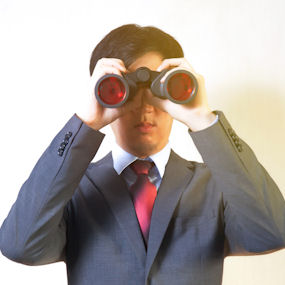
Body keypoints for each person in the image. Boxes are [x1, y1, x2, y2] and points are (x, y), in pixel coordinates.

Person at [0, 24, 284, 285]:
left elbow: (273, 231)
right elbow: (20, 245)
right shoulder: (74, 189)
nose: (146, 108)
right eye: (127, 90)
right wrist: (85, 123)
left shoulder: (215, 186)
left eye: (158, 91)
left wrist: (202, 118)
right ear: (103, 92)